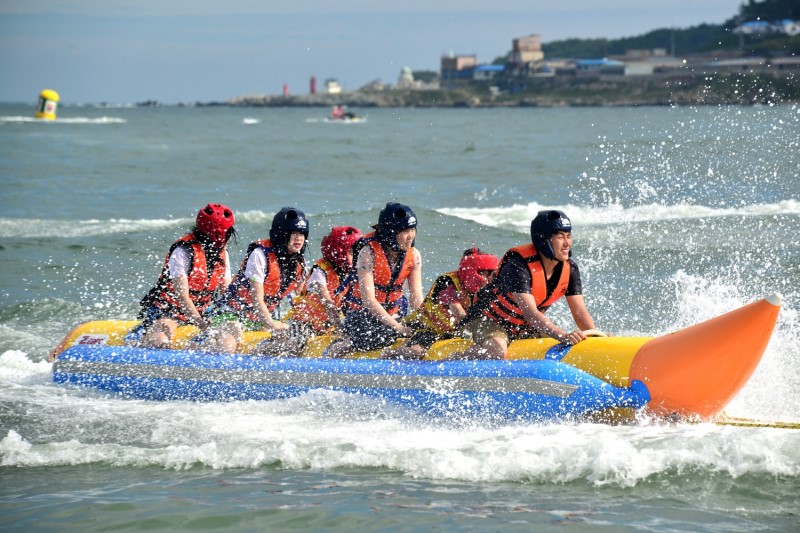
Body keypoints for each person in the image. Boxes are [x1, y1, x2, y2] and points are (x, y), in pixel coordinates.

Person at [451, 210, 598, 360]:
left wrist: (595, 336)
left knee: (571, 345)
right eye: (560, 237)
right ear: (543, 239)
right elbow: (531, 313)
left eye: (569, 236)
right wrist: (562, 335)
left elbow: (579, 311)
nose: (567, 243)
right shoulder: (518, 266)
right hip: (486, 321)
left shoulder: (570, 269)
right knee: (497, 352)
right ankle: (452, 359)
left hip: (524, 326)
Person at [125, 203, 236, 349]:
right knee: (160, 341)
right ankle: (138, 339)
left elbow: (226, 289)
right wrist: (202, 326)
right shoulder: (183, 251)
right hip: (169, 310)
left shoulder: (222, 253)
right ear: (219, 235)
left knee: (228, 332)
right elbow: (182, 297)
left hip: (203, 310)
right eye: (228, 233)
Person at [199, 207, 309, 353]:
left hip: (260, 319)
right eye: (294, 233)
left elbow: (300, 297)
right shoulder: (259, 255)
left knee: (297, 340)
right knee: (228, 345)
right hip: (231, 315)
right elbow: (257, 300)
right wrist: (272, 325)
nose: (299, 238)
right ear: (282, 234)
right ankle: (197, 347)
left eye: (302, 233)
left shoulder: (299, 263)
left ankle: (257, 358)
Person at [327, 202, 424, 356]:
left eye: (413, 229)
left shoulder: (415, 255)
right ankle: (337, 349)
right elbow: (369, 301)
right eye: (405, 231)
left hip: (394, 313)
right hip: (362, 316)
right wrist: (398, 328)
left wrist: (425, 322)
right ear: (390, 233)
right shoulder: (368, 253)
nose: (410, 236)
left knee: (425, 333)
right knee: (376, 337)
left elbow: (416, 299)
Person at [251, 225, 362, 357]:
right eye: (351, 252)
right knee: (295, 345)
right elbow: (328, 303)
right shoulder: (320, 271)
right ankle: (259, 350)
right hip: (303, 323)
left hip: (327, 326)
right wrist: (340, 329)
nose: (356, 256)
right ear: (339, 251)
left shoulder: (354, 273)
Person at [381, 247, 499, 360]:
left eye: (489, 274)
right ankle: (387, 354)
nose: (486, 278)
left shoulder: (481, 291)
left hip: (448, 332)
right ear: (470, 270)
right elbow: (458, 312)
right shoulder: (447, 282)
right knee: (416, 351)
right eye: (483, 273)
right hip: (424, 327)